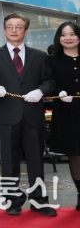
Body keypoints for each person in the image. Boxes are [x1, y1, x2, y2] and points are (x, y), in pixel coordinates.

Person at [0, 13, 56, 217]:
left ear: (26, 30)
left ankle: (39, 201)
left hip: (33, 115)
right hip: (7, 115)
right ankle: (12, 200)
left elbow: (49, 81)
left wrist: (40, 91)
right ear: (4, 30)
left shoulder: (40, 56)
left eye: (19, 26)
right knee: (8, 161)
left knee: (36, 160)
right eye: (10, 26)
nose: (14, 30)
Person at [48, 21, 80, 210]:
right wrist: (58, 92)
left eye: (72, 34)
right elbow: (47, 83)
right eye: (63, 35)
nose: (68, 38)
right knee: (75, 154)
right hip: (67, 114)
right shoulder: (52, 60)